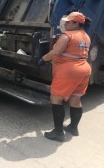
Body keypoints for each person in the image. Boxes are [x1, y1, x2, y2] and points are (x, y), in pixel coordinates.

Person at [38, 12, 91, 142]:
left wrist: (43, 59)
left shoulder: (67, 36)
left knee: (56, 99)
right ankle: (73, 127)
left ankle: (58, 132)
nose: (65, 24)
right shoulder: (85, 36)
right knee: (75, 99)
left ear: (76, 23)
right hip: (83, 69)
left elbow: (56, 52)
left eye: (68, 22)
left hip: (68, 71)